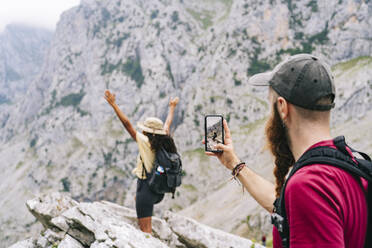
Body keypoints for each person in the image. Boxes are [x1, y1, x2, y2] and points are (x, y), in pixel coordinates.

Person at [205, 54, 368, 247]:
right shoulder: (350, 162)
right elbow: (284, 207)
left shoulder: (308, 185)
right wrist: (234, 163)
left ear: (282, 107)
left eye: (270, 103)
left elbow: (305, 200)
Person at [104, 90, 179, 233]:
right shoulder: (164, 140)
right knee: (141, 210)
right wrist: (172, 107)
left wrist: (114, 105)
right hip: (158, 190)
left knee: (145, 231)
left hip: (146, 188)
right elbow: (168, 123)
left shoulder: (146, 141)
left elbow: (127, 124)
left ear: (146, 132)